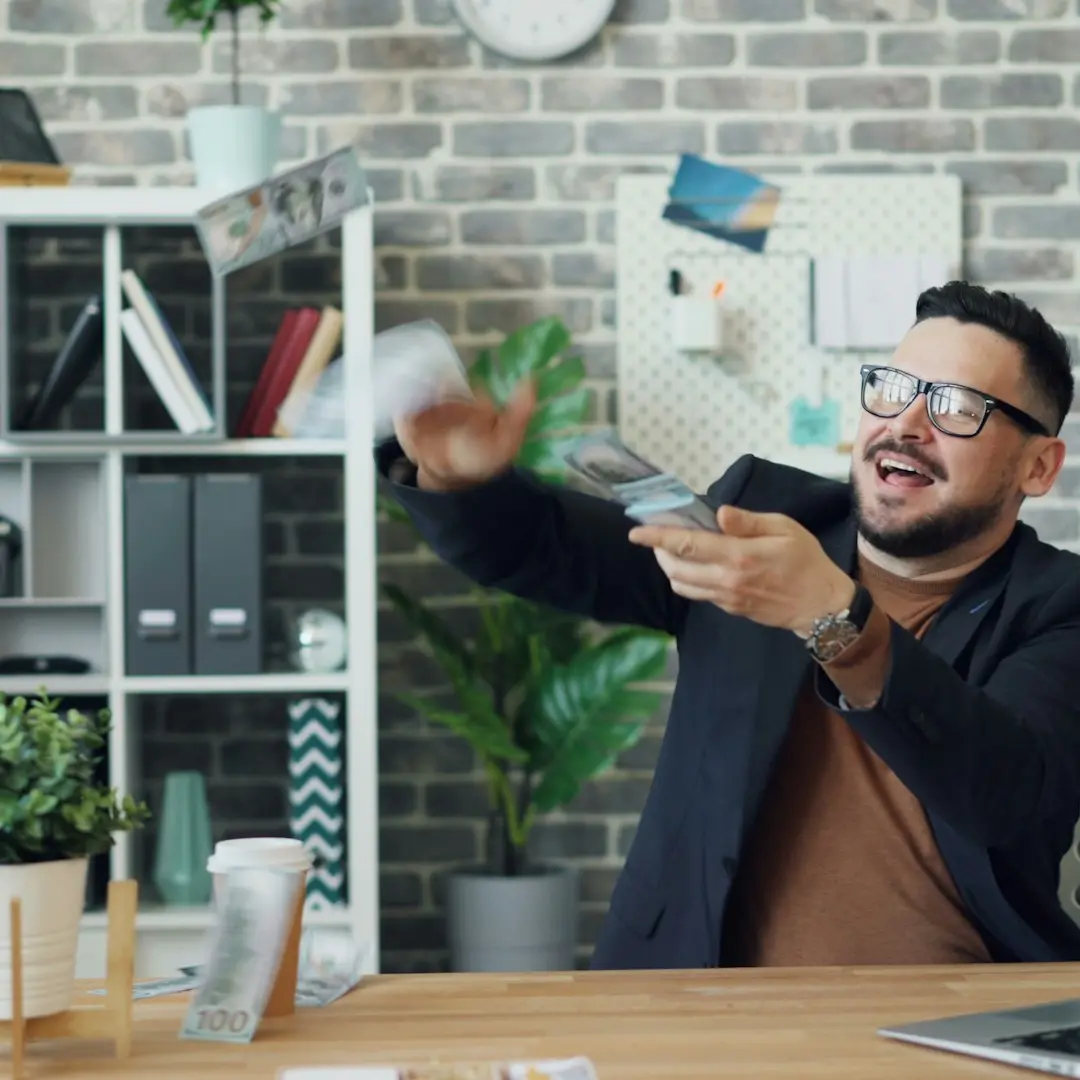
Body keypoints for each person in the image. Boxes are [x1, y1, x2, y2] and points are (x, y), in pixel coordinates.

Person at [376, 280, 1080, 969]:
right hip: (698, 1004)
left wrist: (836, 619)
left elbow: (1012, 798)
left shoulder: (1059, 605)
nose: (906, 424)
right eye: (894, 389)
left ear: (1038, 466)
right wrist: (457, 481)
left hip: (953, 1021)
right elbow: (554, 549)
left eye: (956, 407)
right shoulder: (765, 517)